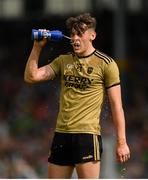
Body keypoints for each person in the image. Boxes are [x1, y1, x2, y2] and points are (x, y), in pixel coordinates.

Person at [24, 13, 130, 179]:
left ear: (92, 35)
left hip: (87, 136)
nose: (74, 38)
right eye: (72, 34)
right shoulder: (63, 61)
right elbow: (32, 77)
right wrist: (37, 47)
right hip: (61, 135)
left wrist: (121, 142)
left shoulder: (106, 64)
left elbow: (117, 106)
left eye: (80, 34)